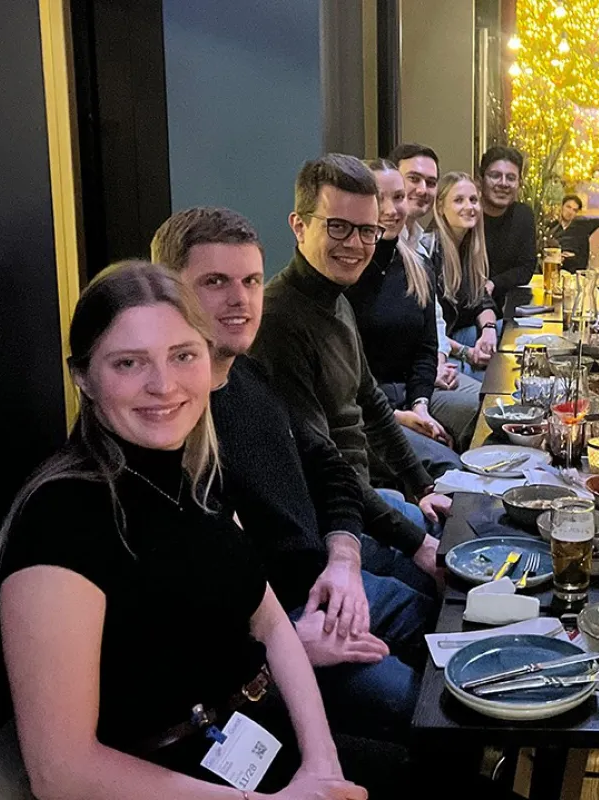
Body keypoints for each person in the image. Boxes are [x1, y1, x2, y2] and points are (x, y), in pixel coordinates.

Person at [0, 261, 367, 799]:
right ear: (83, 378)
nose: (163, 385)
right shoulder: (59, 521)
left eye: (183, 355)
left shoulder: (194, 474)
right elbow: (62, 772)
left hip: (251, 742)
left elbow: (271, 623)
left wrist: (321, 767)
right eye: (128, 362)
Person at [152, 206, 436, 741]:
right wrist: (279, 647)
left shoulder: (250, 375)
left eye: (251, 281)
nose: (240, 300)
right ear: (169, 292)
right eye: (215, 282)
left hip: (329, 587)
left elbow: (328, 466)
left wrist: (344, 562)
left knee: (453, 623)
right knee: (419, 707)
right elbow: (188, 607)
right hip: (280, 636)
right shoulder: (167, 427)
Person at [251, 154, 453, 544]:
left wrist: (423, 487)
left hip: (359, 499)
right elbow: (321, 460)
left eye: (366, 230)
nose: (356, 244)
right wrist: (415, 542)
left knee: (454, 514)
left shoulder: (336, 297)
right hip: (327, 524)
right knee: (437, 582)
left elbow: (372, 404)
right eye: (339, 227)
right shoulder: (278, 320)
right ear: (299, 226)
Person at [347, 160, 477, 450]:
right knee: (446, 457)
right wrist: (401, 415)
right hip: (369, 410)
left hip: (415, 393)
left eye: (398, 197)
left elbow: (427, 347)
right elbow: (345, 381)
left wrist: (421, 405)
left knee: (488, 411)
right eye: (379, 199)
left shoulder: (417, 265)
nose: (392, 210)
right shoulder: (348, 271)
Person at [390, 142, 483, 437]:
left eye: (430, 182)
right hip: (398, 388)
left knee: (496, 401)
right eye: (413, 179)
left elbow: (436, 321)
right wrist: (456, 357)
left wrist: (438, 361)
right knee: (486, 412)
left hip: (426, 371)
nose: (422, 189)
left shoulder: (418, 244)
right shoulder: (381, 247)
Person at [432, 171, 499, 376]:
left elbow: (482, 298)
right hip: (439, 349)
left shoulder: (469, 248)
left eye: (473, 200)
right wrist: (467, 353)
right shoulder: (431, 251)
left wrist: (488, 330)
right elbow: (430, 330)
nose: (469, 207)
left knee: (508, 333)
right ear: (441, 207)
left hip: (459, 338)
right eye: (459, 200)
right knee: (493, 377)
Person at [478, 145, 537, 313]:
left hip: (507, 312)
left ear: (519, 183)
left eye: (511, 178)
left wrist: (494, 283)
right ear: (480, 179)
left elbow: (526, 268)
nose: (503, 183)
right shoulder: (468, 214)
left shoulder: (523, 215)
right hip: (467, 317)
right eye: (495, 176)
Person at [546, 194, 599, 273]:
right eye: (568, 207)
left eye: (574, 210)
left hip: (574, 267)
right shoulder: (552, 226)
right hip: (553, 263)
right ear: (562, 207)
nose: (570, 212)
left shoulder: (582, 226)